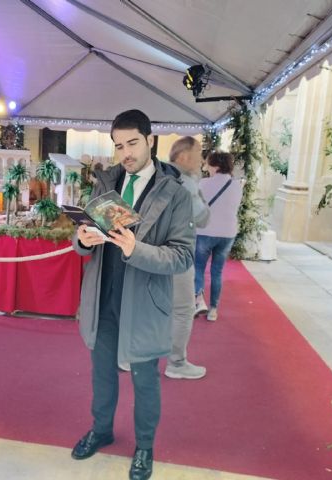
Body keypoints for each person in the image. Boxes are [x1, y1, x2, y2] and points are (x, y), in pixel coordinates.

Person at [71, 109, 195, 480]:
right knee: (101, 373)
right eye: (119, 145)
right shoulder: (106, 183)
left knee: (145, 379)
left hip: (144, 302)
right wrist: (82, 239)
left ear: (150, 140)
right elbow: (83, 237)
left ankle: (144, 447)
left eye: (132, 143)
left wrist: (134, 248)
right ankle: (101, 430)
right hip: (103, 296)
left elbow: (182, 256)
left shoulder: (175, 193)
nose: (125, 153)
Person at [164, 136, 210, 380]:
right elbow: (203, 218)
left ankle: (130, 356)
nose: (202, 160)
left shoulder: (159, 176)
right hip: (178, 255)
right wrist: (198, 190)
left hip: (152, 253)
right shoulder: (187, 183)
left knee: (146, 306)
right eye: (199, 153)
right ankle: (177, 363)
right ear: (184, 157)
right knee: (183, 309)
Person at [194, 151, 243, 321]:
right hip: (227, 233)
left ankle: (199, 301)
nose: (206, 167)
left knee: (198, 267)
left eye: (208, 163)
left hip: (205, 232)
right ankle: (213, 310)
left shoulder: (203, 183)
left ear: (215, 165)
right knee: (217, 272)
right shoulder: (236, 185)